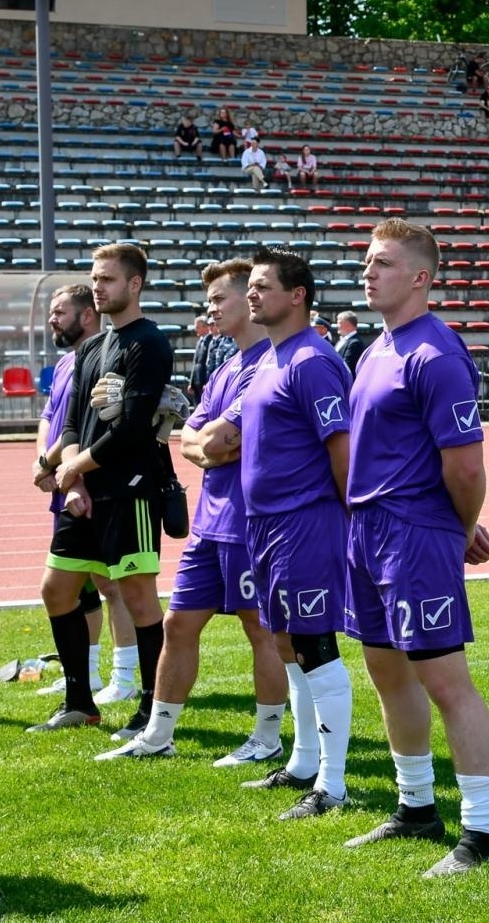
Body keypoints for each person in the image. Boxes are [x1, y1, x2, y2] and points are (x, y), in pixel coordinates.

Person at [341, 219, 489, 876]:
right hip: (368, 530)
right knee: (386, 670)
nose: (367, 273)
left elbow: (465, 465)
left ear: (420, 278)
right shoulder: (375, 349)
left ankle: (480, 830)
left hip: (413, 533)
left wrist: (457, 530)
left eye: (382, 263)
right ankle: (414, 807)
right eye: (367, 263)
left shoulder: (435, 354)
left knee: (444, 680)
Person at [94, 259, 291, 766]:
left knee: (260, 631)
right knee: (179, 624)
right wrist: (206, 443)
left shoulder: (268, 365)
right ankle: (159, 733)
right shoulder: (227, 365)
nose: (212, 308)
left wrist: (207, 442)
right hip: (211, 522)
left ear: (249, 298)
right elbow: (193, 440)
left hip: (251, 522)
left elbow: (221, 440)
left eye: (220, 298)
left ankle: (267, 738)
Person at [221, 246, 356, 820]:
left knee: (315, 646)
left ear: (297, 295)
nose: (251, 294)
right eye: (248, 286)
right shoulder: (271, 360)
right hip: (265, 525)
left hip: (305, 523)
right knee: (286, 643)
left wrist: (341, 518)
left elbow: (342, 450)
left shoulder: (312, 361)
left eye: (262, 286)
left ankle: (333, 783)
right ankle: (303, 762)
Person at [31, 243, 175, 739]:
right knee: (56, 590)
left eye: (108, 279)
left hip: (130, 491)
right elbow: (72, 424)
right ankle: (79, 702)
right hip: (86, 492)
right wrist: (71, 472)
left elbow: (134, 428)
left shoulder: (149, 343)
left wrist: (73, 472)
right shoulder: (90, 348)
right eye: (95, 278)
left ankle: (152, 712)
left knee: (137, 598)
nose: (99, 286)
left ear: (134, 285)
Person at [31, 284, 140, 706]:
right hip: (66, 478)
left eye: (60, 312)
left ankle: (125, 676)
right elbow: (50, 417)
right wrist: (44, 459)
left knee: (115, 585)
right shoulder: (63, 364)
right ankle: (88, 673)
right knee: (82, 586)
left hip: (92, 484)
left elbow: (86, 426)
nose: (52, 319)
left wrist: (55, 466)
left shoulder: (103, 361)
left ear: (87, 315)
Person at [189, 315, 238, 407]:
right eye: (209, 325)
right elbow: (203, 363)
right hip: (202, 379)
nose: (210, 327)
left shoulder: (223, 341)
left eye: (213, 324)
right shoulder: (212, 342)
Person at [334, 311, 367, 376]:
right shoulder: (342, 340)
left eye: (339, 323)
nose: (337, 325)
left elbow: (346, 367)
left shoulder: (355, 343)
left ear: (348, 324)